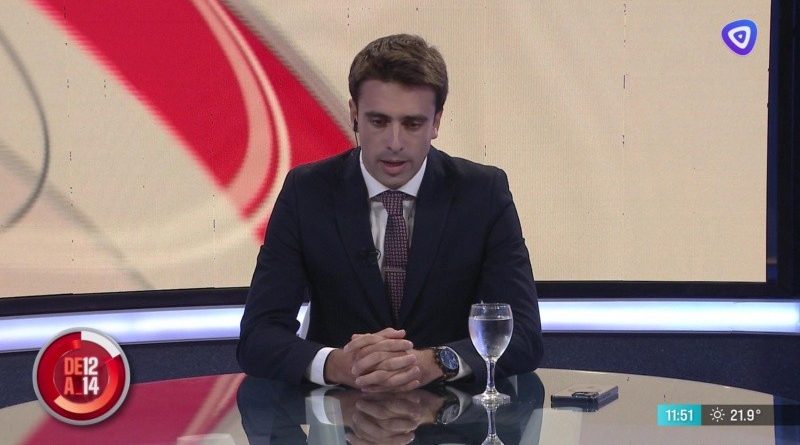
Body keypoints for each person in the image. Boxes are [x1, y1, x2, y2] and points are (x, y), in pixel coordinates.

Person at [238, 33, 543, 392]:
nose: (394, 143)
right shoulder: (307, 192)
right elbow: (258, 336)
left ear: (436, 122)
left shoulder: (482, 193)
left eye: (412, 124)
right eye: (379, 121)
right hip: (338, 409)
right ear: (354, 115)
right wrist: (336, 364)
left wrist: (436, 362)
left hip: (454, 413)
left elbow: (523, 336)